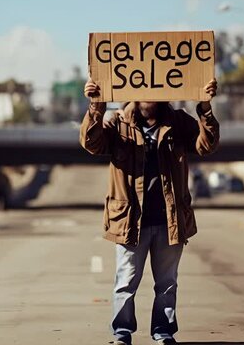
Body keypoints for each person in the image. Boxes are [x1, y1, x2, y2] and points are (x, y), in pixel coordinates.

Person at [80, 79, 220, 345]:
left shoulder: (178, 122)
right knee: (125, 283)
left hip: (169, 221)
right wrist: (95, 105)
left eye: (153, 92)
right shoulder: (117, 122)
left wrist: (205, 107)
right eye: (142, 91)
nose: (148, 97)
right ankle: (122, 333)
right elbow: (90, 143)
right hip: (130, 221)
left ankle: (163, 332)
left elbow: (207, 145)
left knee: (167, 284)